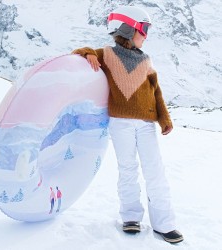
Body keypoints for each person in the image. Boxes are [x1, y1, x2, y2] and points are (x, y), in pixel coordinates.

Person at [72, 5, 183, 244]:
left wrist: (164, 118)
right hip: (120, 123)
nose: (146, 35)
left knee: (155, 170)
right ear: (127, 28)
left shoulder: (146, 60)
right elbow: (81, 52)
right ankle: (131, 216)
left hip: (145, 123)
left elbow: (156, 92)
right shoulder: (107, 54)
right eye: (143, 29)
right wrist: (89, 53)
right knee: (128, 169)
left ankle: (164, 224)